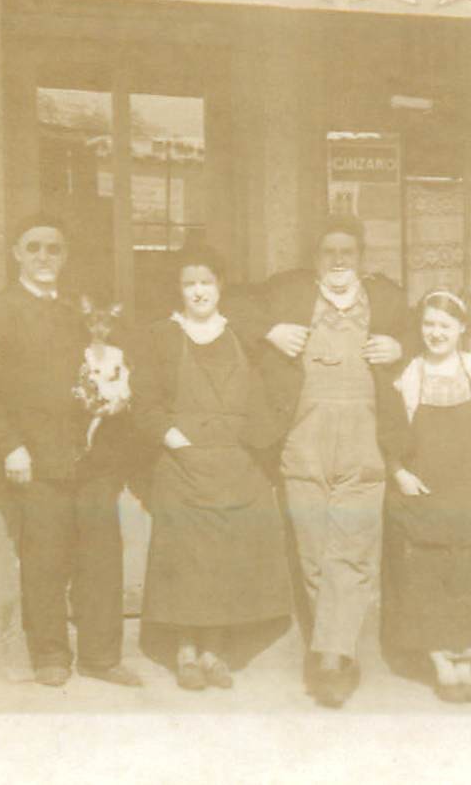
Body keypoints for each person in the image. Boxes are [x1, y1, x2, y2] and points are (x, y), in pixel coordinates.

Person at [232, 214, 409, 708]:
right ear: (315, 258)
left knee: (351, 549)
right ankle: (335, 649)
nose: (338, 261)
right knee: (313, 551)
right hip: (303, 438)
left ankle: (331, 658)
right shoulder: (288, 292)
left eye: (347, 252)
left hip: (365, 440)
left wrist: (402, 345)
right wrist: (270, 330)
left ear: (361, 257)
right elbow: (229, 305)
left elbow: (432, 329)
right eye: (329, 252)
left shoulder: (385, 298)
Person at [0, 213, 142, 688]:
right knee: (44, 559)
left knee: (101, 558)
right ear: (17, 254)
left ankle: (101, 657)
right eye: (34, 247)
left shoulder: (76, 311)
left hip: (91, 459)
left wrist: (117, 396)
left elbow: (105, 366)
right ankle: (49, 654)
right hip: (36, 459)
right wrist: (11, 447)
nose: (44, 256)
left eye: (54, 248)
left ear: (65, 256)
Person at [131, 245, 292, 691]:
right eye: (189, 283)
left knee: (227, 559)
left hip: (237, 465)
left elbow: (279, 387)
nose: (198, 291)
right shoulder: (160, 335)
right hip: (181, 464)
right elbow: (143, 402)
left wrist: (258, 439)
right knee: (186, 560)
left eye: (206, 282)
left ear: (220, 285)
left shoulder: (243, 334)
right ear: (178, 289)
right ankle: (185, 651)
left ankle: (215, 652)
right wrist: (175, 439)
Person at [382, 289, 471, 703]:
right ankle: (442, 668)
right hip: (420, 489)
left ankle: (465, 665)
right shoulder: (408, 373)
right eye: (428, 324)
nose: (435, 333)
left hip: (465, 488)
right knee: (424, 575)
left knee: (468, 573)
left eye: (444, 326)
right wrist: (399, 473)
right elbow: (386, 429)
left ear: (462, 328)